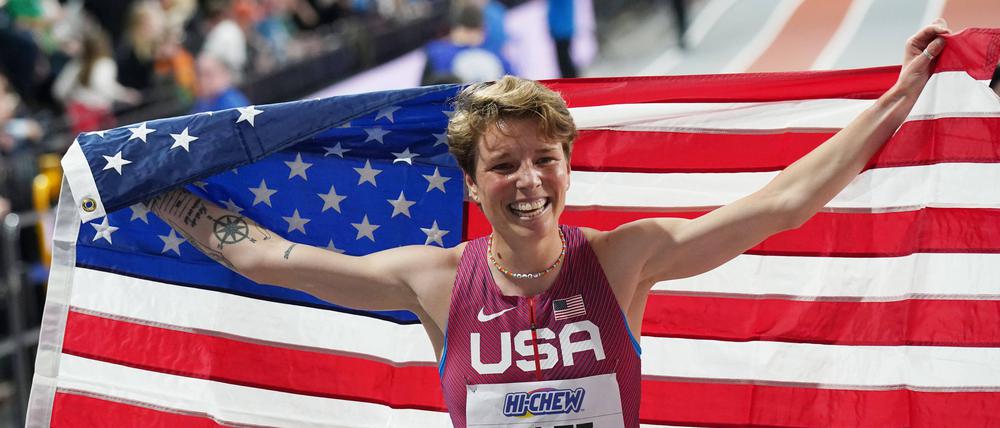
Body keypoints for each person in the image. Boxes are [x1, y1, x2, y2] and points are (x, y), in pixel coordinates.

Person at [148, 20, 951, 427]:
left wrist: (901, 94)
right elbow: (267, 256)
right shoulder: (433, 278)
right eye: (504, 165)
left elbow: (784, 203)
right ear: (471, 181)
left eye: (545, 159)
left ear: (568, 165)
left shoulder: (625, 258)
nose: (529, 181)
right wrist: (153, 189)